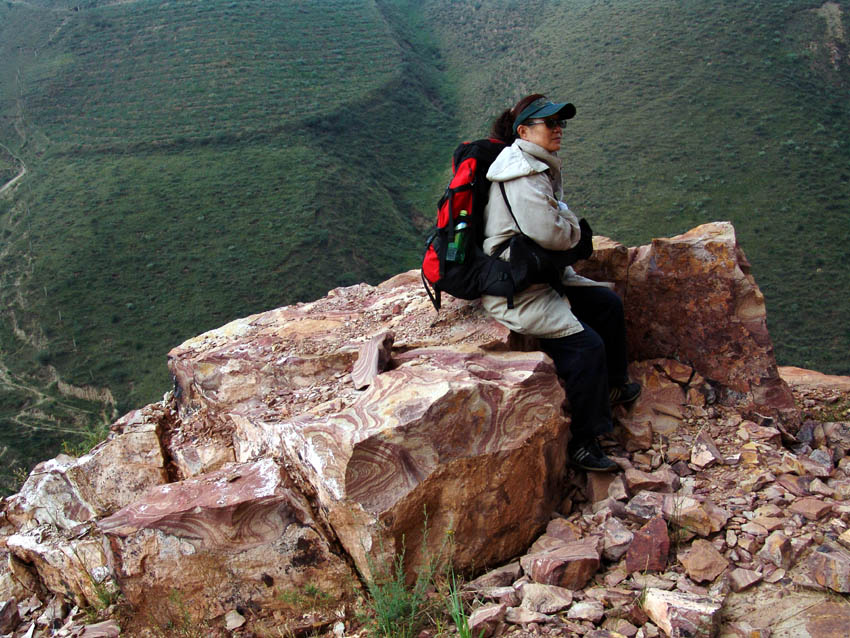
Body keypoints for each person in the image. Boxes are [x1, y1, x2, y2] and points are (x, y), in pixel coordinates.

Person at [482, 93, 641, 472]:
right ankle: (585, 443)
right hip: (515, 287)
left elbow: (557, 221)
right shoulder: (520, 174)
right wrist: (571, 231)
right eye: (549, 123)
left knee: (607, 304)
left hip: (539, 273)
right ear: (524, 131)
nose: (558, 130)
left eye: (560, 123)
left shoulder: (537, 166)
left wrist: (564, 227)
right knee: (586, 347)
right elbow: (554, 233)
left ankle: (614, 386)